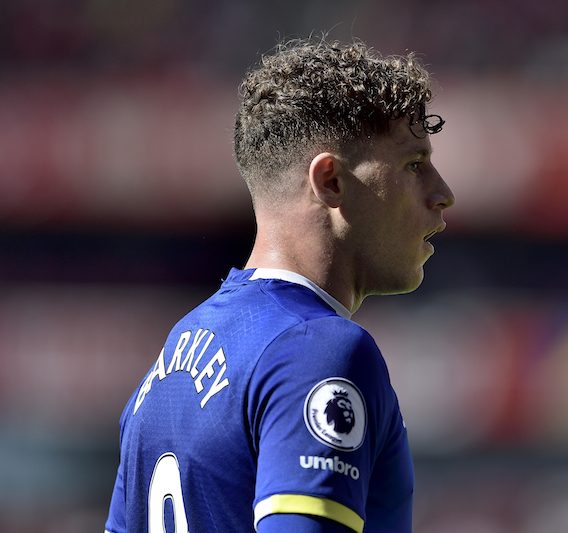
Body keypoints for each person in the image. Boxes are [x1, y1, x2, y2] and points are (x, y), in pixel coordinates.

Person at [104, 37, 455, 533]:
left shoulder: (164, 371)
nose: (443, 194)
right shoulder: (318, 349)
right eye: (414, 165)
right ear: (331, 181)